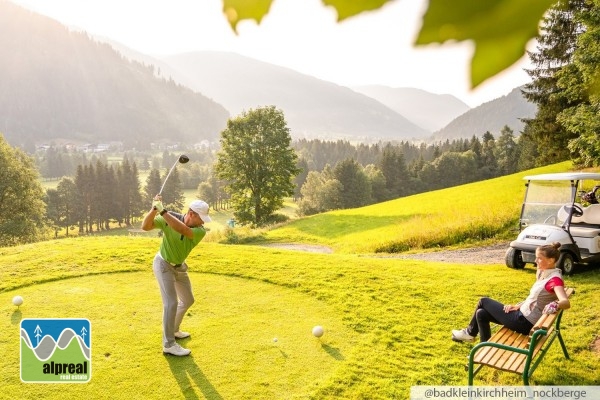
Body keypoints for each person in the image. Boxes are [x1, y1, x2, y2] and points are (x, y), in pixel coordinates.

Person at [452, 242, 571, 343]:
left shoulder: (555, 280)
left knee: (483, 301)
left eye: (539, 258)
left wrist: (555, 304)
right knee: (481, 313)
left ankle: (469, 333)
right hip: (524, 317)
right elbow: (534, 299)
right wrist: (518, 306)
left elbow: (565, 302)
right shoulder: (544, 273)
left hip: (525, 323)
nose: (535, 261)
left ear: (551, 260)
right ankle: (484, 347)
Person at [142, 195, 211, 356]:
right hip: (163, 265)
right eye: (202, 218)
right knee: (171, 303)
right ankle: (169, 344)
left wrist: (163, 210)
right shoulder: (169, 217)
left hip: (179, 267)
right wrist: (154, 209)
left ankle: (173, 330)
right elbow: (145, 226)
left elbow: (183, 230)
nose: (203, 222)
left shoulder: (200, 231)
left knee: (188, 300)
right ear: (192, 214)